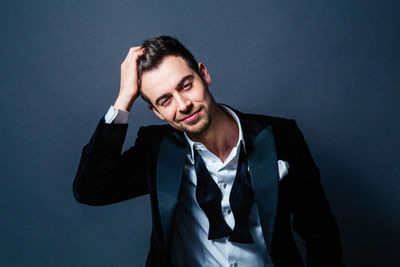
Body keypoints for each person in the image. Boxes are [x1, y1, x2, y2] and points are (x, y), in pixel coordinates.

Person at [73, 35, 343, 266]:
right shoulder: (156, 150)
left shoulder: (281, 136)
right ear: (155, 111)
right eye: (165, 100)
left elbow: (320, 231)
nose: (183, 105)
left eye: (186, 85)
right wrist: (124, 99)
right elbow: (90, 190)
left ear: (204, 74)